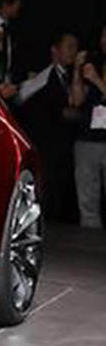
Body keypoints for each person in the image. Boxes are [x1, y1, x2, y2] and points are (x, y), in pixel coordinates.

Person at [16, 31, 86, 221]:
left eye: (76, 47)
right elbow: (25, 101)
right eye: (69, 46)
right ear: (55, 50)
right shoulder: (41, 77)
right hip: (44, 145)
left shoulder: (73, 75)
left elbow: (77, 103)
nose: (73, 52)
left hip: (64, 147)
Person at [74, 24, 106, 228]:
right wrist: (77, 71)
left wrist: (96, 79)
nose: (104, 40)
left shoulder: (96, 72)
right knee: (87, 202)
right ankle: (88, 241)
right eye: (103, 35)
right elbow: (76, 100)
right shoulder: (95, 62)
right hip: (87, 139)